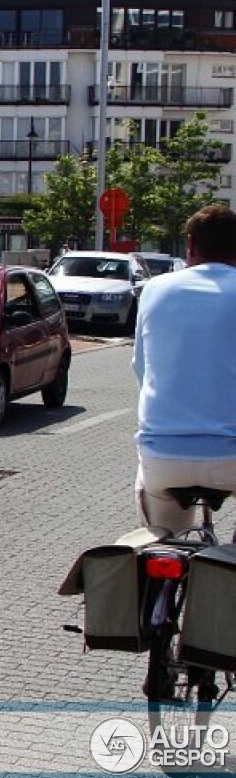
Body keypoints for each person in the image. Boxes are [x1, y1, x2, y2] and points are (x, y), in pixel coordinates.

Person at [132, 204, 236, 534]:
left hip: (162, 455)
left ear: (190, 245)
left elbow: (141, 367)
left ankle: (158, 570)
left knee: (164, 540)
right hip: (231, 458)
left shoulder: (153, 290)